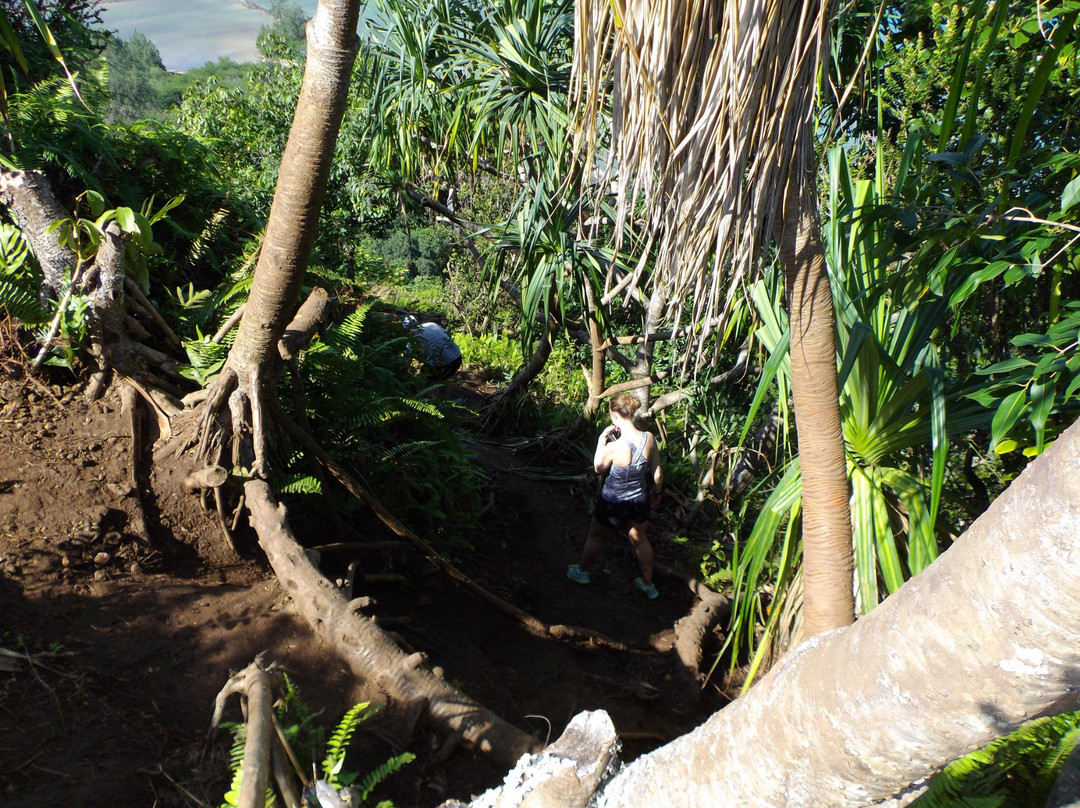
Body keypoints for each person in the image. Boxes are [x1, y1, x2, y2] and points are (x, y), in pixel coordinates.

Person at [567, 393, 664, 599]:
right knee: (640, 539)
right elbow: (657, 471)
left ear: (615, 414)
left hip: (613, 501)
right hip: (639, 499)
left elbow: (598, 468)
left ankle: (582, 572)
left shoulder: (614, 446)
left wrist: (602, 441)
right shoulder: (649, 439)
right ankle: (649, 585)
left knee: (596, 535)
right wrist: (656, 492)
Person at [403, 315, 462, 380]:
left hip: (445, 362)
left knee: (425, 381)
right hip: (457, 356)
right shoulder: (431, 324)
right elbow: (446, 335)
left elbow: (406, 360)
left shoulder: (412, 337)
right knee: (440, 382)